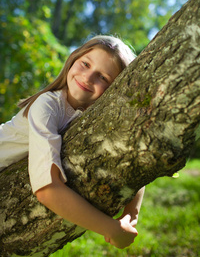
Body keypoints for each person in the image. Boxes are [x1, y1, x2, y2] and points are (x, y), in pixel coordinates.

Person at [0, 35, 145, 249]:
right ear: (73, 60)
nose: (88, 78)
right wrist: (110, 228)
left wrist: (130, 216)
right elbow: (47, 189)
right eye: (85, 64)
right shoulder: (48, 106)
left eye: (103, 77)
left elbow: (136, 155)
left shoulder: (94, 116)